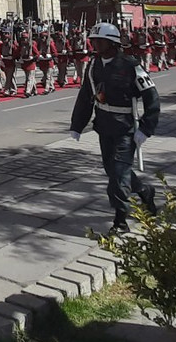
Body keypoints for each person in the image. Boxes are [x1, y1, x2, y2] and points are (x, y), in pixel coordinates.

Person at [68, 22, 161, 236]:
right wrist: (77, 125)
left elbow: (152, 98)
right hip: (104, 126)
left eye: (99, 41)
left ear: (112, 43)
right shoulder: (94, 65)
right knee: (113, 171)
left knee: (118, 177)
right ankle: (145, 191)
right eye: (93, 41)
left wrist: (146, 129)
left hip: (125, 128)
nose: (95, 45)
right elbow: (86, 97)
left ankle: (120, 221)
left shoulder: (130, 65)